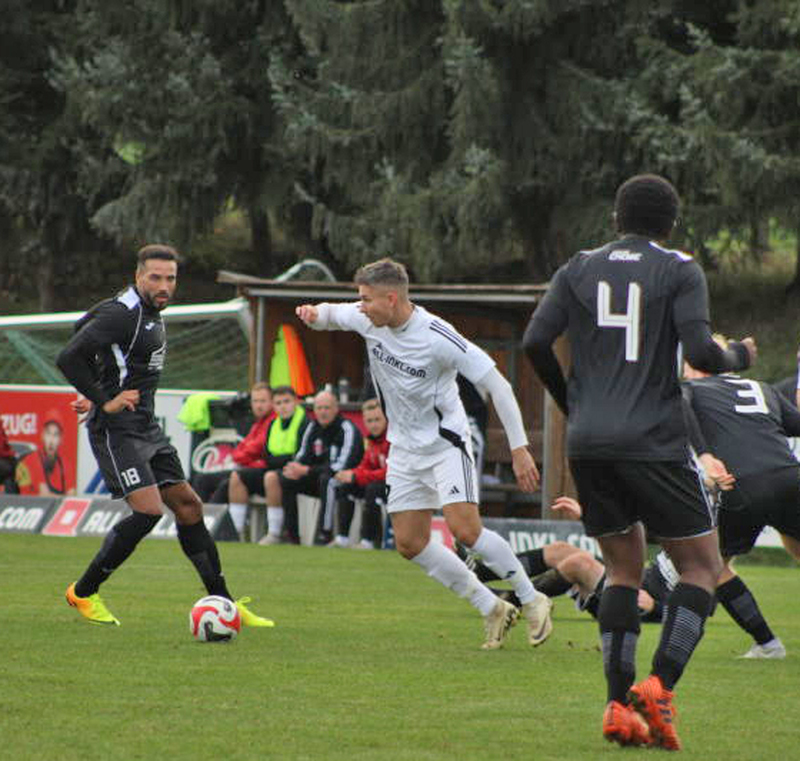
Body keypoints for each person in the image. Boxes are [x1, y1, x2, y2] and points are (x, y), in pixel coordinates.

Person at [523, 174, 756, 749]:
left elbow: (535, 343)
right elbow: (701, 352)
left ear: (615, 219)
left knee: (623, 572)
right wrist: (739, 355)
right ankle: (660, 687)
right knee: (702, 567)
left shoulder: (577, 266)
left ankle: (615, 706)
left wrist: (570, 402)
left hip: (591, 441)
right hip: (653, 436)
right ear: (671, 222)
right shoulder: (678, 268)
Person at [296, 257, 553, 650]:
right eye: (359, 299)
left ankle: (532, 598)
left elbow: (498, 385)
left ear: (392, 298)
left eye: (366, 299)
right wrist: (312, 314)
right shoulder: (368, 317)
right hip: (405, 449)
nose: (359, 306)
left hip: (445, 443)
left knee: (465, 530)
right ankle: (491, 606)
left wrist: (520, 449)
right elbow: (330, 314)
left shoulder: (437, 335)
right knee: (410, 543)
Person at [55, 244, 273, 628]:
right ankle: (84, 592)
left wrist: (94, 390)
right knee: (149, 511)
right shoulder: (124, 313)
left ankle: (224, 604)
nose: (163, 285)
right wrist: (103, 400)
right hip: (116, 430)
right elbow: (69, 354)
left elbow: (83, 330)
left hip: (145, 426)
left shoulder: (151, 312)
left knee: (188, 505)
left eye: (170, 278)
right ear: (138, 276)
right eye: (155, 277)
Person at [683, 346, 800, 659]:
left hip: (741, 485)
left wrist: (705, 453)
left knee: (713, 565)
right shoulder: (762, 388)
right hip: (790, 478)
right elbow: (796, 425)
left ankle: (768, 644)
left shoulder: (691, 389)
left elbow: (678, 412)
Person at [278, 389, 363, 545]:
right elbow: (302, 456)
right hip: (316, 478)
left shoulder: (346, 429)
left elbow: (341, 466)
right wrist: (294, 468)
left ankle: (324, 534)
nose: (323, 412)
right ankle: (291, 536)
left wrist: (307, 470)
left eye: (327, 408)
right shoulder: (312, 427)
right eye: (319, 408)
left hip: (346, 480)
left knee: (328, 481)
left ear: (336, 409)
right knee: (286, 479)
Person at [191, 383, 274, 529]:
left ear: (271, 402)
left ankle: (210, 526)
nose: (259, 405)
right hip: (244, 469)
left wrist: (240, 457)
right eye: (255, 401)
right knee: (202, 479)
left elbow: (254, 449)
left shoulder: (273, 422)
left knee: (226, 485)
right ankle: (194, 522)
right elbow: (242, 448)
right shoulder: (258, 424)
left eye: (263, 401)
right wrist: (240, 456)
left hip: (255, 473)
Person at [330, 398, 390, 549]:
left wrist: (357, 475)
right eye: (369, 421)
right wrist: (350, 474)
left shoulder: (393, 440)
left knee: (372, 489)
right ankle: (342, 538)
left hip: (396, 486)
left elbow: (390, 472)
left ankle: (367, 541)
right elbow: (365, 466)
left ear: (387, 419)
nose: (373, 424)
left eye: (377, 419)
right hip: (378, 483)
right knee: (346, 486)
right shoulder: (370, 441)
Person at [256, 385, 309, 545]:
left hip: (297, 472)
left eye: (287, 401)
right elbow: (267, 456)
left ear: (296, 402)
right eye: (278, 403)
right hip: (275, 468)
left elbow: (300, 454)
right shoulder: (273, 424)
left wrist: (280, 460)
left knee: (272, 477)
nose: (283, 406)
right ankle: (236, 533)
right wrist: (282, 459)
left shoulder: (305, 423)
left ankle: (275, 533)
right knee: (236, 477)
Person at [17, 409, 75, 496]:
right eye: (48, 433)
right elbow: (44, 495)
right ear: (42, 436)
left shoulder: (65, 465)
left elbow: (72, 495)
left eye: (55, 435)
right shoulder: (32, 460)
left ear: (61, 440)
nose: (51, 441)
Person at [0, 418, 19, 494]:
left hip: (6, 462)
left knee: (9, 476)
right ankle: (13, 500)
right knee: (9, 481)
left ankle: (13, 501)